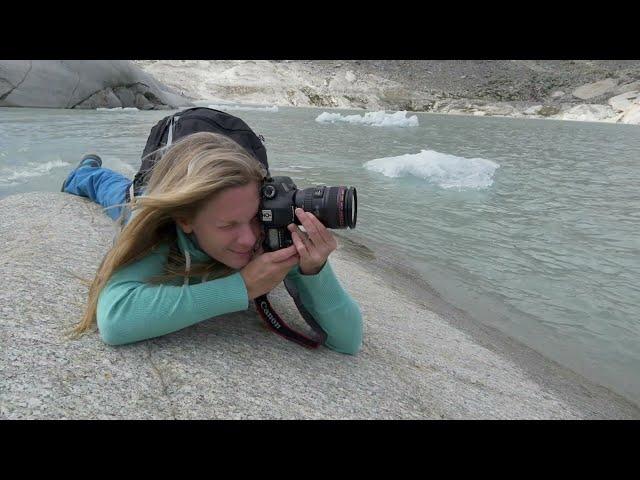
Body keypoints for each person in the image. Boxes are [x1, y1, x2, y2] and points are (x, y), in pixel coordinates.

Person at [62, 131, 363, 354]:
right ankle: (86, 171)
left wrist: (314, 270)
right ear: (185, 220)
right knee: (121, 194)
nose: (248, 238)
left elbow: (348, 341)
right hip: (149, 195)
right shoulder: (166, 230)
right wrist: (242, 287)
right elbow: (115, 320)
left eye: (254, 217)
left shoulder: (270, 230)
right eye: (228, 225)